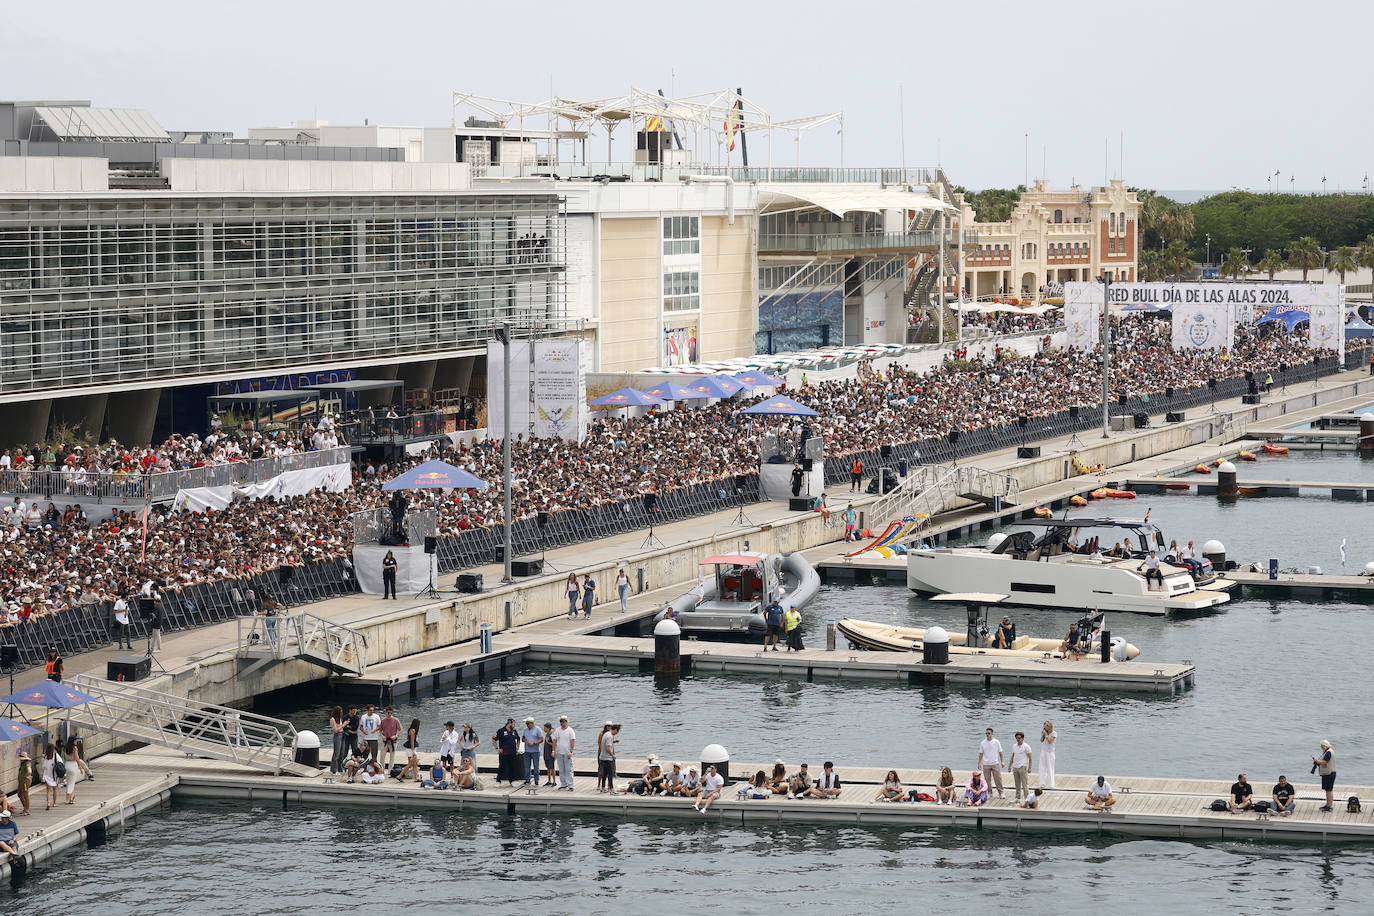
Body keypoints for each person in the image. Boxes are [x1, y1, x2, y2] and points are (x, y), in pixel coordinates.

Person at [978, 728, 1005, 800]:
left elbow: (1000, 752)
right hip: (986, 763)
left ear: (992, 734)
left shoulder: (996, 742)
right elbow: (981, 753)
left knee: (998, 779)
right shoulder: (983, 743)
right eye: (986, 733)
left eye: (989, 733)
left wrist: (1002, 761)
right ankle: (989, 793)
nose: (987, 735)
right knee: (987, 780)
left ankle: (1001, 792)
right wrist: (979, 763)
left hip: (995, 763)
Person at [493, 717, 521, 786]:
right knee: (502, 767)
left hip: (512, 752)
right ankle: (498, 781)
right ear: (509, 723)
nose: (514, 726)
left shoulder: (514, 731)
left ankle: (512, 781)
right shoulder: (501, 731)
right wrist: (497, 748)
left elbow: (518, 739)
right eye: (513, 724)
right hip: (504, 753)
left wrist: (517, 747)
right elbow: (493, 739)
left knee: (512, 767)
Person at [551, 715, 576, 791]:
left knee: (568, 769)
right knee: (561, 769)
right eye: (560, 721)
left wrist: (571, 751)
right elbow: (554, 741)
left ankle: (570, 785)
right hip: (559, 752)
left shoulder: (570, 730)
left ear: (566, 722)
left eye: (563, 721)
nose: (561, 723)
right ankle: (563, 784)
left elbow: (572, 741)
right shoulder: (557, 730)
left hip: (567, 752)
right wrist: (553, 751)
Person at [1312, 739, 1336, 812]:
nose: (1321, 748)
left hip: (1329, 773)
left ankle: (1329, 806)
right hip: (1327, 773)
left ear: (1325, 746)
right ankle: (1327, 804)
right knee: (1327, 790)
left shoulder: (1329, 752)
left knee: (1329, 790)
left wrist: (1316, 760)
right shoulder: (1327, 751)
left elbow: (1325, 762)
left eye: (1322, 746)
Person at [1008, 732, 1033, 802]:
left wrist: (1030, 767)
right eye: (1016, 738)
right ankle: (1017, 798)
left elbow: (1030, 758)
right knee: (1017, 784)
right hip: (1015, 767)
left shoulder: (1026, 747)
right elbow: (1013, 756)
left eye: (1019, 738)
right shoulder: (1014, 746)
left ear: (1022, 738)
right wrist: (1010, 765)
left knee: (1025, 784)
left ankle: (1027, 798)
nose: (1018, 740)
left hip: (1023, 766)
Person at [521, 716, 544, 786]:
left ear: (532, 723)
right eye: (526, 723)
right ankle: (527, 780)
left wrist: (534, 743)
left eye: (528, 723)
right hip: (527, 751)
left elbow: (541, 739)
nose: (527, 725)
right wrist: (523, 739)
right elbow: (523, 738)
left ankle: (536, 780)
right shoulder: (525, 730)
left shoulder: (538, 729)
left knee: (536, 767)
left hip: (535, 751)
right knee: (527, 767)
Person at [379, 707, 402, 773]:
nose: (389, 714)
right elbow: (380, 730)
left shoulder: (396, 720)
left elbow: (400, 729)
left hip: (393, 741)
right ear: (386, 712)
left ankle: (390, 771)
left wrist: (396, 736)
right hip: (385, 740)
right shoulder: (383, 721)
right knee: (382, 756)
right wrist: (382, 736)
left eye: (391, 713)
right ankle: (382, 770)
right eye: (388, 713)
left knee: (392, 757)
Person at [597, 721, 617, 794]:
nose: (609, 727)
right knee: (609, 773)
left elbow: (607, 744)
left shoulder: (607, 734)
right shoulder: (607, 735)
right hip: (606, 757)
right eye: (607, 726)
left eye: (610, 726)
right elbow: (606, 747)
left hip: (604, 756)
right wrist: (612, 755)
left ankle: (603, 788)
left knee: (605, 773)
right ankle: (611, 789)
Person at [40, 743, 60, 810]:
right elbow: (60, 763)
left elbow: (43, 766)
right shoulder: (55, 755)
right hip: (54, 775)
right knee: (55, 789)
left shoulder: (45, 756)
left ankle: (48, 802)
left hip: (47, 775)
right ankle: (54, 803)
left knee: (48, 790)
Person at [62, 736, 81, 805]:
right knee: (72, 783)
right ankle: (67, 799)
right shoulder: (74, 748)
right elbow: (77, 758)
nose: (76, 742)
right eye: (76, 740)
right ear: (73, 741)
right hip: (73, 764)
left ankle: (70, 799)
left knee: (68, 782)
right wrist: (80, 767)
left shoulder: (65, 748)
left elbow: (64, 756)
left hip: (67, 764)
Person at [1039, 721, 1057, 788]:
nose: (1044, 726)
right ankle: (1042, 783)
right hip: (1043, 751)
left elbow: (1050, 741)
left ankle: (1051, 784)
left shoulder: (1054, 733)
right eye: (1044, 725)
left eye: (1046, 725)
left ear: (1049, 726)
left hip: (1050, 752)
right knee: (1042, 767)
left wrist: (1046, 734)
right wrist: (1043, 734)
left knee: (1050, 768)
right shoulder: (1044, 733)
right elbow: (1041, 740)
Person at [14, 750, 31, 816]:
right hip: (21, 781)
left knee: (25, 795)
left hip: (24, 782)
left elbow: (29, 771)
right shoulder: (23, 763)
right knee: (19, 794)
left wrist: (26, 776)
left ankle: (27, 809)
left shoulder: (27, 763)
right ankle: (25, 807)